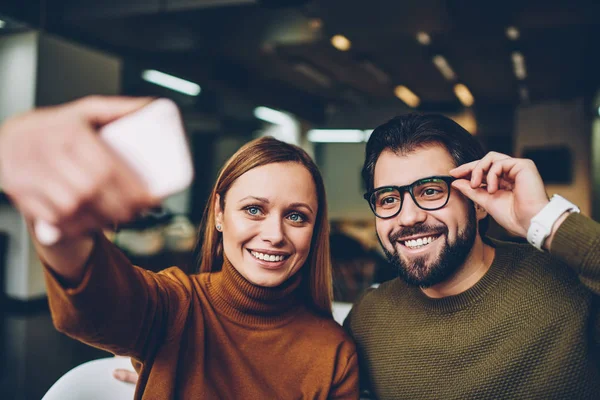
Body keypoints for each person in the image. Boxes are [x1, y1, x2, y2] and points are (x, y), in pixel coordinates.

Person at [0, 96, 359, 399]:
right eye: (254, 209)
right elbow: (96, 304)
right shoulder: (174, 306)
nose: (275, 234)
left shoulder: (334, 354)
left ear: (315, 230)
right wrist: (62, 228)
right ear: (219, 214)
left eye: (296, 217)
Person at [344, 114, 599, 399]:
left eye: (430, 191)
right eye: (388, 199)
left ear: (478, 203)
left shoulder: (570, 286)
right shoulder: (368, 319)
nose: (408, 217)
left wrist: (546, 220)